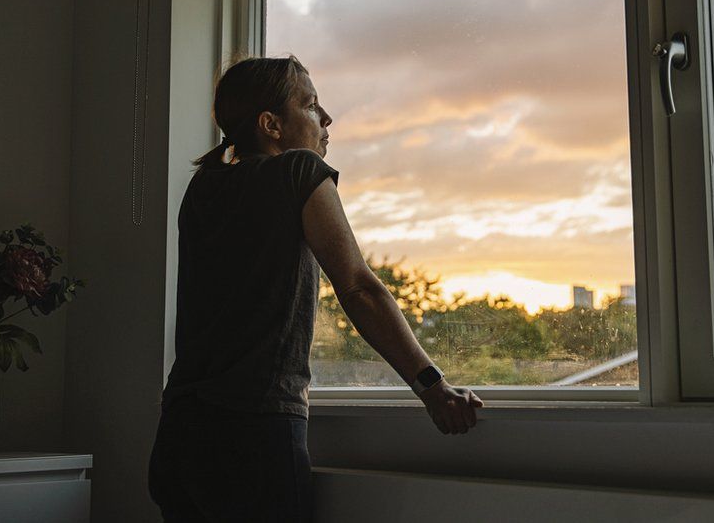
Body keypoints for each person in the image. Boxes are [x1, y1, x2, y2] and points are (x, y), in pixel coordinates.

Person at [148, 55, 484, 522]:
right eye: (310, 105)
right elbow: (359, 288)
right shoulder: (297, 171)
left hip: (179, 437)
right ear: (271, 125)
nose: (326, 119)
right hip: (253, 436)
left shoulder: (203, 187)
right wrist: (433, 387)